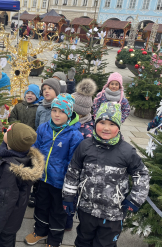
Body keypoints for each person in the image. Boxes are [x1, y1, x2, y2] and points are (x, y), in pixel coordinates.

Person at [62, 102, 150, 247]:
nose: (106, 128)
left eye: (112, 124)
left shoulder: (127, 151)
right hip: (86, 210)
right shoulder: (85, 146)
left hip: (113, 214)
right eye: (102, 122)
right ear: (95, 122)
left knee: (105, 244)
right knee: (83, 241)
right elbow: (73, 172)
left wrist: (134, 200)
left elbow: (142, 175)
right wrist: (68, 197)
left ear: (119, 127)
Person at [25, 94, 84, 247]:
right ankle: (40, 231)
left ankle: (54, 239)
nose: (57, 115)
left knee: (58, 211)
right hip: (43, 178)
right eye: (54, 110)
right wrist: (33, 165)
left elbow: (75, 163)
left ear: (69, 113)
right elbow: (35, 147)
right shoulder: (43, 127)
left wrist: (69, 182)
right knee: (41, 206)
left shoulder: (74, 135)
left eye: (62, 112)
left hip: (61, 182)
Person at [0, 123, 44, 247]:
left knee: (5, 241)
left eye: (8, 131)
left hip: (6, 219)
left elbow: (5, 201)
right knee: (8, 238)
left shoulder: (10, 169)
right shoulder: (20, 156)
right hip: (13, 216)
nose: (5, 130)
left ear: (13, 143)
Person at [63, 78, 97, 231]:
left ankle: (68, 221)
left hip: (77, 171)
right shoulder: (68, 121)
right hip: (64, 167)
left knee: (71, 197)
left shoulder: (88, 130)